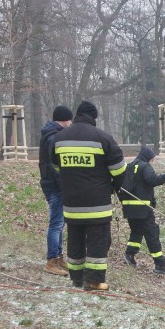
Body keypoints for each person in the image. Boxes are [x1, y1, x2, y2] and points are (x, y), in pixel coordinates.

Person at [52, 100, 126, 291]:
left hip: (71, 204)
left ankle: (76, 278)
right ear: (93, 117)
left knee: (75, 240)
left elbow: (56, 166)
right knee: (97, 242)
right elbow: (119, 171)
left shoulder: (59, 138)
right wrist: (115, 188)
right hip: (97, 204)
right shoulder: (102, 138)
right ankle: (93, 281)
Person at [119, 145, 165, 275]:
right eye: (152, 160)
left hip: (129, 208)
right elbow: (153, 180)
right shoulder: (145, 166)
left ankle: (129, 255)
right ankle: (160, 264)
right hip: (143, 209)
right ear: (148, 158)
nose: (152, 162)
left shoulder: (129, 166)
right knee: (152, 235)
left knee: (136, 232)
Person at [39, 105, 74, 276]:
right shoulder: (53, 137)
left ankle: (59, 257)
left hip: (52, 184)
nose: (71, 122)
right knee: (56, 223)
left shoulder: (52, 134)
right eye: (70, 120)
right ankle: (51, 260)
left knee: (60, 223)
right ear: (64, 120)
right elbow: (56, 166)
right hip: (55, 185)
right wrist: (65, 184)